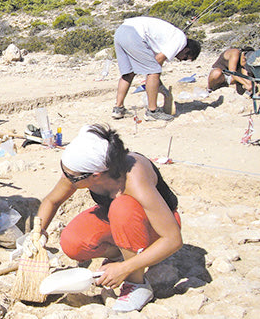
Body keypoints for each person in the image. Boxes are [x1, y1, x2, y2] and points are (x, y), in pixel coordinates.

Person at [34, 124, 182, 312]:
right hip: (122, 223)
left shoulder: (134, 179)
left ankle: (137, 284)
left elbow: (173, 239)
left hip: (157, 230)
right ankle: (124, 253)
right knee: (73, 242)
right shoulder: (83, 171)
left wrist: (124, 269)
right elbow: (51, 201)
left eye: (71, 176)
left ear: (95, 176)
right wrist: (36, 235)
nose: (66, 179)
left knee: (122, 207)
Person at [111, 16, 201, 122]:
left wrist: (158, 85)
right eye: (185, 58)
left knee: (128, 73)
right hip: (134, 34)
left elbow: (152, 62)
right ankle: (152, 112)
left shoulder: (167, 40)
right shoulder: (180, 40)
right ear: (186, 50)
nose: (181, 60)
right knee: (154, 71)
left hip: (121, 31)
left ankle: (118, 109)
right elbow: (157, 63)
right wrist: (161, 88)